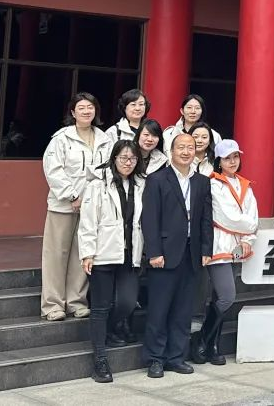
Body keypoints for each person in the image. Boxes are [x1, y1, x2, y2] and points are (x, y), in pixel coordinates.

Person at [142, 131, 213, 378]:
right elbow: (149, 218)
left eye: (190, 147)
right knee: (159, 310)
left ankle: (176, 357)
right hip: (164, 254)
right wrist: (154, 252)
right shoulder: (157, 179)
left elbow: (206, 219)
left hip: (192, 253)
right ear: (171, 151)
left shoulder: (202, 182)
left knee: (183, 311)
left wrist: (206, 250)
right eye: (181, 147)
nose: (186, 152)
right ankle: (155, 359)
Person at [77, 139, 146, 383]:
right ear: (113, 158)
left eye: (133, 158)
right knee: (100, 307)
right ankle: (100, 360)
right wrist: (87, 253)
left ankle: (106, 330)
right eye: (123, 158)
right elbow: (88, 221)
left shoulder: (141, 184)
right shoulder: (98, 185)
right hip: (103, 253)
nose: (128, 163)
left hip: (129, 254)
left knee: (127, 302)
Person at [41, 93, 114, 321]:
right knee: (56, 255)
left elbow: (108, 170)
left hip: (92, 207)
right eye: (81, 107)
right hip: (63, 206)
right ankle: (52, 305)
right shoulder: (61, 138)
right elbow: (53, 170)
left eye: (90, 107)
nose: (86, 111)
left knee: (82, 254)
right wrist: (72, 195)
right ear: (73, 112)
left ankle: (76, 302)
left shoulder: (104, 139)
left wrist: (93, 198)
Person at [192, 140, 258, 365]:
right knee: (228, 296)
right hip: (219, 246)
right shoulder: (212, 184)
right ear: (218, 161)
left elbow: (253, 217)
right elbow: (227, 218)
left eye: (236, 157)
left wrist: (248, 239)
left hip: (238, 248)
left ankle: (211, 345)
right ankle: (202, 339)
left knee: (221, 297)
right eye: (227, 158)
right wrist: (249, 227)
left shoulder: (245, 185)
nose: (232, 161)